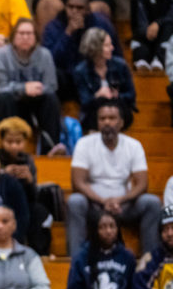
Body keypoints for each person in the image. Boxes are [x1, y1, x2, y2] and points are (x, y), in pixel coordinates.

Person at [67, 100, 162, 257]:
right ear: (97, 122)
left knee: (152, 202)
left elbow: (142, 184)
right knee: (75, 201)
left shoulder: (134, 145)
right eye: (102, 118)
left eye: (112, 118)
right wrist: (103, 201)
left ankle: (150, 260)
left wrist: (120, 200)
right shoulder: (84, 144)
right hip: (95, 205)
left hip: (123, 206)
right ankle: (76, 261)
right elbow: (78, 182)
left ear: (121, 122)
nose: (107, 122)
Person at [0, 18, 62, 151]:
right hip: (6, 104)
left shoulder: (45, 55)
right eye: (21, 34)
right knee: (5, 98)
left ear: (36, 37)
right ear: (13, 37)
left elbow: (52, 86)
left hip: (34, 103)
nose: (25, 37)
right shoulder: (1, 55)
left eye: (29, 34)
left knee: (51, 99)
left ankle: (50, 148)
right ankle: (7, 148)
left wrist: (38, 89)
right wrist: (23, 88)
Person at [41, 0, 121, 100]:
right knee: (54, 75)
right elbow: (49, 61)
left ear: (88, 9)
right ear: (65, 7)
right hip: (66, 79)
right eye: (70, 7)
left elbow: (116, 54)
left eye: (79, 8)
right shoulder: (54, 26)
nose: (74, 11)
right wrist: (68, 33)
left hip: (91, 76)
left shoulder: (101, 24)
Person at [0, 117, 55, 257]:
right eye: (9, 142)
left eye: (18, 142)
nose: (14, 146)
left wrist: (29, 180)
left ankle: (39, 254)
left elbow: (34, 196)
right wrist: (3, 173)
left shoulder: (28, 160)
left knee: (39, 211)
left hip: (24, 203)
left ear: (25, 142)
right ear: (1, 141)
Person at [73, 28, 136, 132]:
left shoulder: (121, 65)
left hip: (118, 107)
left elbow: (131, 95)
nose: (112, 48)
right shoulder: (81, 71)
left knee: (117, 111)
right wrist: (98, 95)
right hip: (93, 112)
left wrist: (116, 95)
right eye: (107, 45)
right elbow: (84, 101)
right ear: (96, 48)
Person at [130, 0, 173, 71]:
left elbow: (171, 15)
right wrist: (147, 30)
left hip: (166, 34)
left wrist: (158, 24)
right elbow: (138, 21)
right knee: (140, 38)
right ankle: (142, 60)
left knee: (169, 27)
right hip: (148, 35)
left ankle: (160, 60)